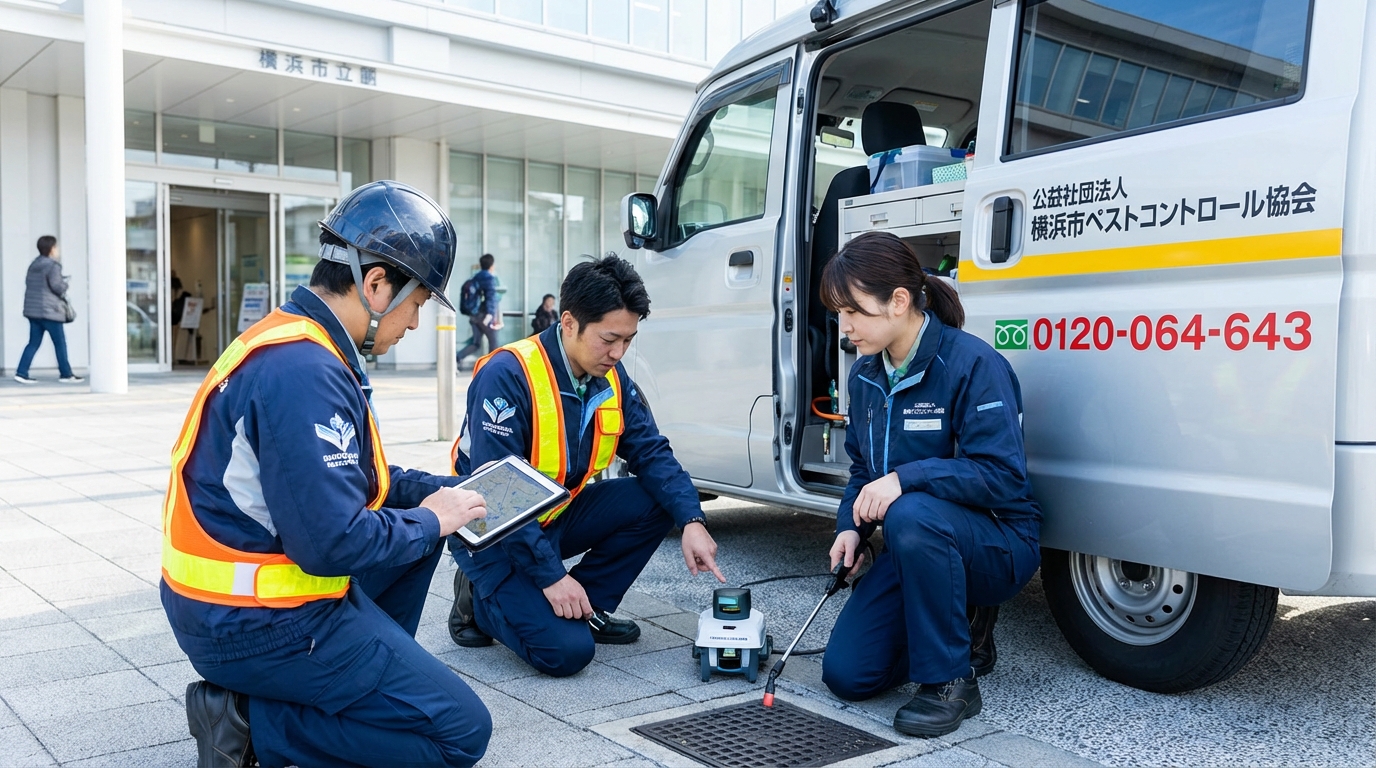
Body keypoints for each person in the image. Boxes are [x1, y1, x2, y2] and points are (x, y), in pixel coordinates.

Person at [162, 181, 494, 768]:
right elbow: (330, 541)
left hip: (226, 605)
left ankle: (355, 685)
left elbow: (349, 480)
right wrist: (427, 522)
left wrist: (442, 496)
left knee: (420, 537)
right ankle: (247, 725)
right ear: (375, 285)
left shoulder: (296, 341)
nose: (415, 323)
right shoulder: (305, 370)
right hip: (255, 622)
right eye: (417, 304)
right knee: (460, 733)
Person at [446, 254, 725, 676]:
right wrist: (551, 576)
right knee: (565, 654)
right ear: (570, 322)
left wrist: (691, 519)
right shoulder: (508, 373)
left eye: (628, 340)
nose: (618, 352)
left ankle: (586, 607)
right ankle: (477, 604)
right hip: (493, 532)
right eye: (609, 339)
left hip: (552, 516)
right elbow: (499, 493)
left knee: (656, 500)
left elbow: (650, 451)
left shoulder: (611, 377)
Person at [817, 231, 1041, 738]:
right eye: (838, 313)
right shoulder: (866, 375)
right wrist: (848, 528)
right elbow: (861, 470)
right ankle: (956, 631)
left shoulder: (973, 365)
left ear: (898, 302)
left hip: (997, 541)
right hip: (917, 546)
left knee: (911, 511)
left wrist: (905, 479)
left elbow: (1004, 477)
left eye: (853, 312)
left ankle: (950, 682)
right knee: (849, 676)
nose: (845, 327)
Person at [14, 236, 80, 384]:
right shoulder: (53, 266)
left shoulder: (34, 265)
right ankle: (66, 374)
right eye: (56, 247)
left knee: (33, 342)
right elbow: (57, 287)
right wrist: (65, 284)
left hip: (33, 311)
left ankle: (21, 372)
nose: (57, 250)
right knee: (60, 343)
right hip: (50, 311)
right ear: (51, 249)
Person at [456, 253, 501, 368]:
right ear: (491, 265)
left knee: (476, 343)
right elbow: (491, 297)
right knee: (494, 342)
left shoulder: (475, 277)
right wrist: (490, 315)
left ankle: (457, 358)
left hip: (474, 316)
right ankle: (493, 367)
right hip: (483, 316)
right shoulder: (488, 278)